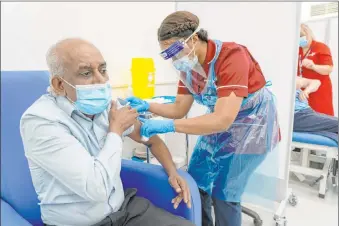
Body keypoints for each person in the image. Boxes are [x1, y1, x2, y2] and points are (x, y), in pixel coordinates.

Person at [126, 11, 280, 226]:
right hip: (217, 122)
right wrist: (147, 104)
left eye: (175, 50)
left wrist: (168, 126)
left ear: (194, 38)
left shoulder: (232, 56)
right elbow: (179, 108)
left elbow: (223, 120)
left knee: (225, 191)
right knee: (198, 179)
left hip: (251, 126)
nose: (174, 58)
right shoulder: (188, 68)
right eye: (168, 54)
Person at [20, 38, 194, 226]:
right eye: (86, 73)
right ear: (59, 85)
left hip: (124, 210)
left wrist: (172, 172)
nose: (101, 80)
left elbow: (148, 137)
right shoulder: (41, 122)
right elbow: (97, 188)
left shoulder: (105, 107)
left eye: (102, 70)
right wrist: (115, 131)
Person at [298, 23, 334, 116]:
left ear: (308, 34)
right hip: (303, 91)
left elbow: (329, 69)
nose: (300, 39)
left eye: (302, 36)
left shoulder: (321, 47)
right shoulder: (297, 50)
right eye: (298, 37)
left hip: (319, 91)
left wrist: (314, 66)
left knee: (322, 117)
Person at [294, 76, 338, 143]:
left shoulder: (292, 77)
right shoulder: (283, 80)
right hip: (298, 116)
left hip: (307, 112)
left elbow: (316, 82)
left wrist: (306, 91)